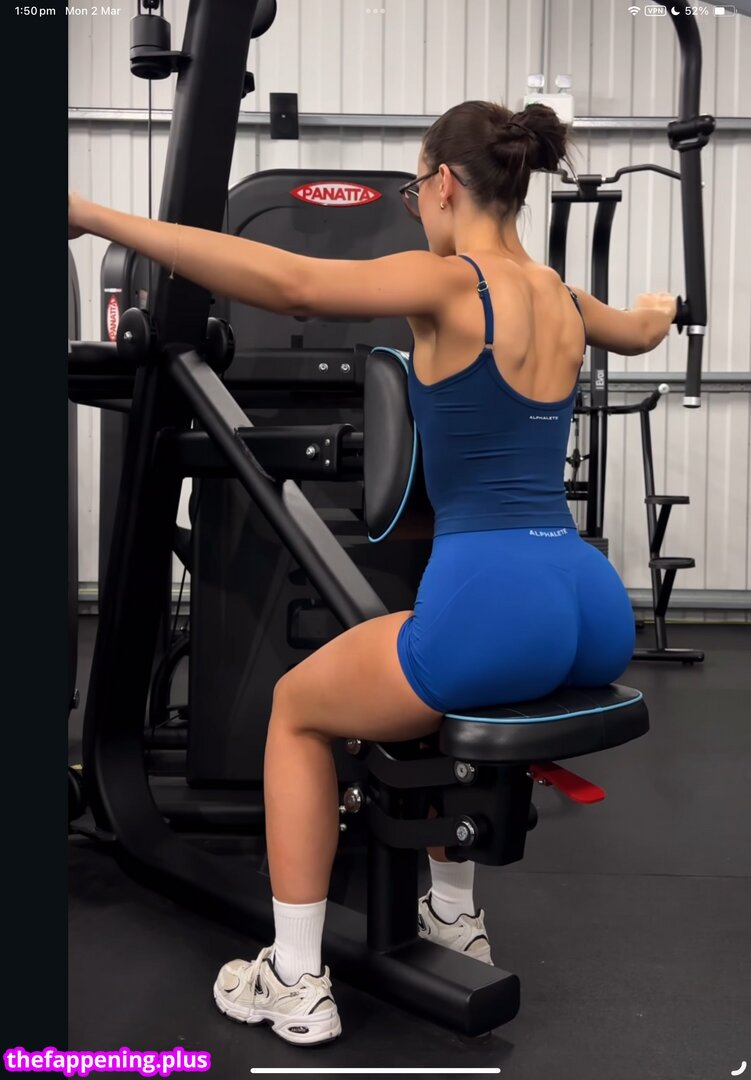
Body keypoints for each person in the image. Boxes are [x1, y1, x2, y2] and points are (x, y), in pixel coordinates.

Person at [68, 100, 677, 1047]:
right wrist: (660, 309)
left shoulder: (448, 281)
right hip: (588, 602)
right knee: (429, 685)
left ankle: (294, 977)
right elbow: (636, 333)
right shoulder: (559, 295)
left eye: (413, 188)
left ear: (443, 183)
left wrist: (90, 214)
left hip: (491, 604)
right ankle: (450, 915)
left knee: (297, 710)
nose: (414, 205)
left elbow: (290, 283)